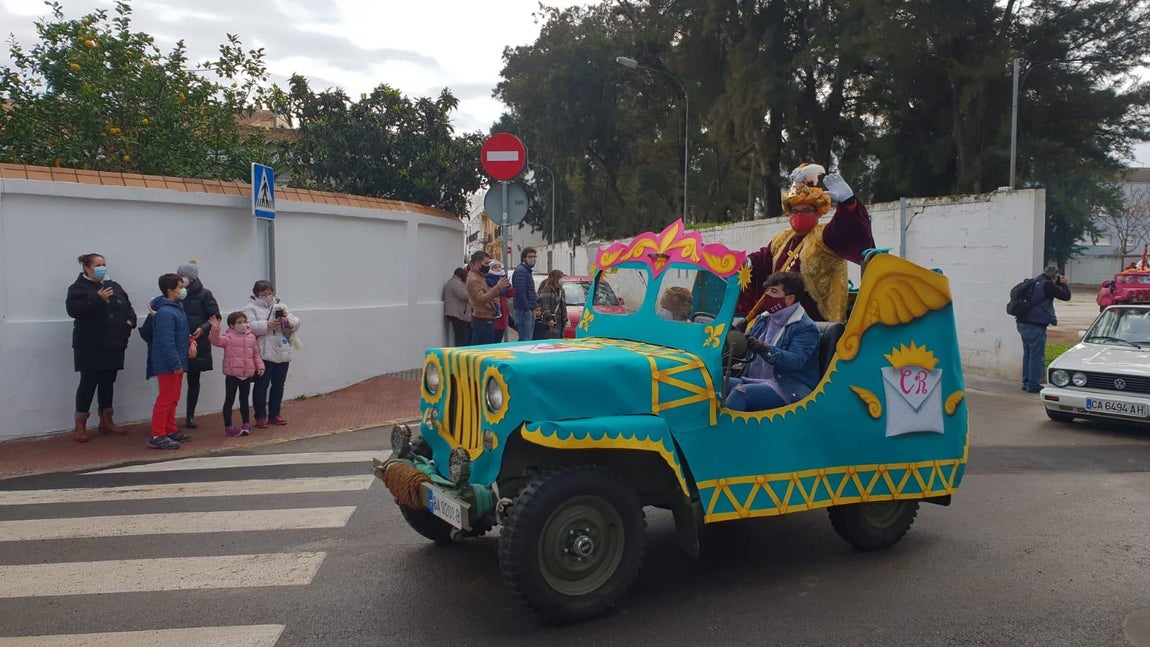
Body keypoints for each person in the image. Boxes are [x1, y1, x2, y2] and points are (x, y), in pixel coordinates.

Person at [738, 164, 875, 323]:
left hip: (813, 322)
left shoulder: (825, 235)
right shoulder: (782, 239)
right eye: (795, 211)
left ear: (817, 212)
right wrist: (745, 262)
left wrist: (849, 204)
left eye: (806, 210)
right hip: (778, 318)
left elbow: (847, 229)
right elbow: (762, 260)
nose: (800, 215)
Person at [66, 253, 137, 442]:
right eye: (98, 264)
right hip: (89, 345)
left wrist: (129, 323)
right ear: (87, 268)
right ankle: (80, 424)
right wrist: (97, 298)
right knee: (88, 382)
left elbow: (128, 307)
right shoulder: (78, 288)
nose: (102, 267)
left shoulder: (114, 286)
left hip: (113, 343)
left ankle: (106, 420)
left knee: (108, 381)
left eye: (104, 264)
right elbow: (74, 310)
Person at [725, 272, 821, 412]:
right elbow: (746, 348)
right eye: (767, 290)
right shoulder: (763, 318)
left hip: (784, 386)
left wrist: (764, 349)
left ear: (789, 299)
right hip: (752, 380)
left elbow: (796, 360)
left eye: (774, 291)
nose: (767, 295)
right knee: (711, 384)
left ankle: (729, 434)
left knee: (740, 394)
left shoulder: (805, 328)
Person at [243, 280, 301, 428]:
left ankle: (275, 414)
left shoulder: (280, 306)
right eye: (264, 294)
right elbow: (247, 326)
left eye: (270, 293)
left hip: (282, 350)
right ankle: (260, 416)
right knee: (261, 385)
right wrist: (267, 325)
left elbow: (296, 321)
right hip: (263, 353)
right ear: (256, 294)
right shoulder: (250, 308)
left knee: (279, 385)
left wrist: (287, 322)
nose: (268, 296)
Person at [145, 273, 191, 450]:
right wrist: (176, 364)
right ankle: (158, 434)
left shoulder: (177, 307)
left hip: (177, 360)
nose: (183, 290)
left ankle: (170, 429)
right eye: (180, 287)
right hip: (169, 363)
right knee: (165, 398)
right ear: (170, 290)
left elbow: (179, 334)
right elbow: (166, 341)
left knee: (173, 398)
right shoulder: (166, 312)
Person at [175, 260, 220, 430]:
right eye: (178, 275)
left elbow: (214, 316)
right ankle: (170, 415)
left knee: (194, 380)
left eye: (183, 276)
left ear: (192, 278)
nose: (180, 278)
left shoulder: (205, 294)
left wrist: (203, 328)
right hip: (178, 341)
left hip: (197, 342)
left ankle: (190, 416)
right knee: (174, 379)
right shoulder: (174, 293)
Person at [1016, 261, 1072, 393]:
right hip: (1035, 325)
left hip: (1022, 322)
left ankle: (1026, 382)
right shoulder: (1047, 285)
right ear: (1055, 276)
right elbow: (1066, 296)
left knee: (1028, 353)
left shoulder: (1035, 282)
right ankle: (1034, 384)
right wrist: (1064, 284)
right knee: (1036, 355)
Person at [209, 311, 265, 437]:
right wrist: (215, 329)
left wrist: (260, 366)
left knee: (244, 400)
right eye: (239, 322)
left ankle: (246, 423)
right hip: (232, 375)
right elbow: (216, 341)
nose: (243, 324)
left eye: (245, 322)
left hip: (246, 374)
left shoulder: (251, 337)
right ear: (232, 325)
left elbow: (255, 354)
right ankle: (228, 426)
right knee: (229, 400)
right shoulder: (228, 338)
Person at [466, 251, 509, 345]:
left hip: (486, 318)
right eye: (486, 263)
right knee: (484, 350)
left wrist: (494, 300)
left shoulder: (480, 276)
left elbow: (486, 294)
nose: (488, 266)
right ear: (478, 263)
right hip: (482, 320)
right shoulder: (474, 279)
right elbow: (480, 299)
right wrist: (497, 288)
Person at [512, 247, 539, 341]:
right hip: (524, 311)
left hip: (528, 309)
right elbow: (520, 291)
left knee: (527, 338)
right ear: (524, 258)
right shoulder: (521, 271)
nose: (533, 259)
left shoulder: (526, 271)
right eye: (530, 257)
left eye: (534, 256)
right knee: (525, 339)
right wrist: (527, 308)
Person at [443, 267, 471, 346]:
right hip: (457, 314)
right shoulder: (456, 283)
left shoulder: (454, 282)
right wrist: (472, 292)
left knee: (461, 336)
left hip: (456, 313)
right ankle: (460, 353)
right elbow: (463, 296)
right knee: (461, 337)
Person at [536, 270, 568, 339]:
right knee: (551, 339)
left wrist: (565, 319)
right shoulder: (548, 289)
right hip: (552, 321)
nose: (562, 279)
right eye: (561, 277)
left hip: (560, 322)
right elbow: (545, 305)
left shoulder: (561, 290)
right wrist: (549, 318)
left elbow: (563, 307)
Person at [488, 260, 513, 342]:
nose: (498, 269)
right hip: (493, 313)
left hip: (503, 313)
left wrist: (509, 286)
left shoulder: (504, 278)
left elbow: (510, 294)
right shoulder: (488, 279)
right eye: (495, 268)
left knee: (499, 337)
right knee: (493, 339)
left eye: (499, 267)